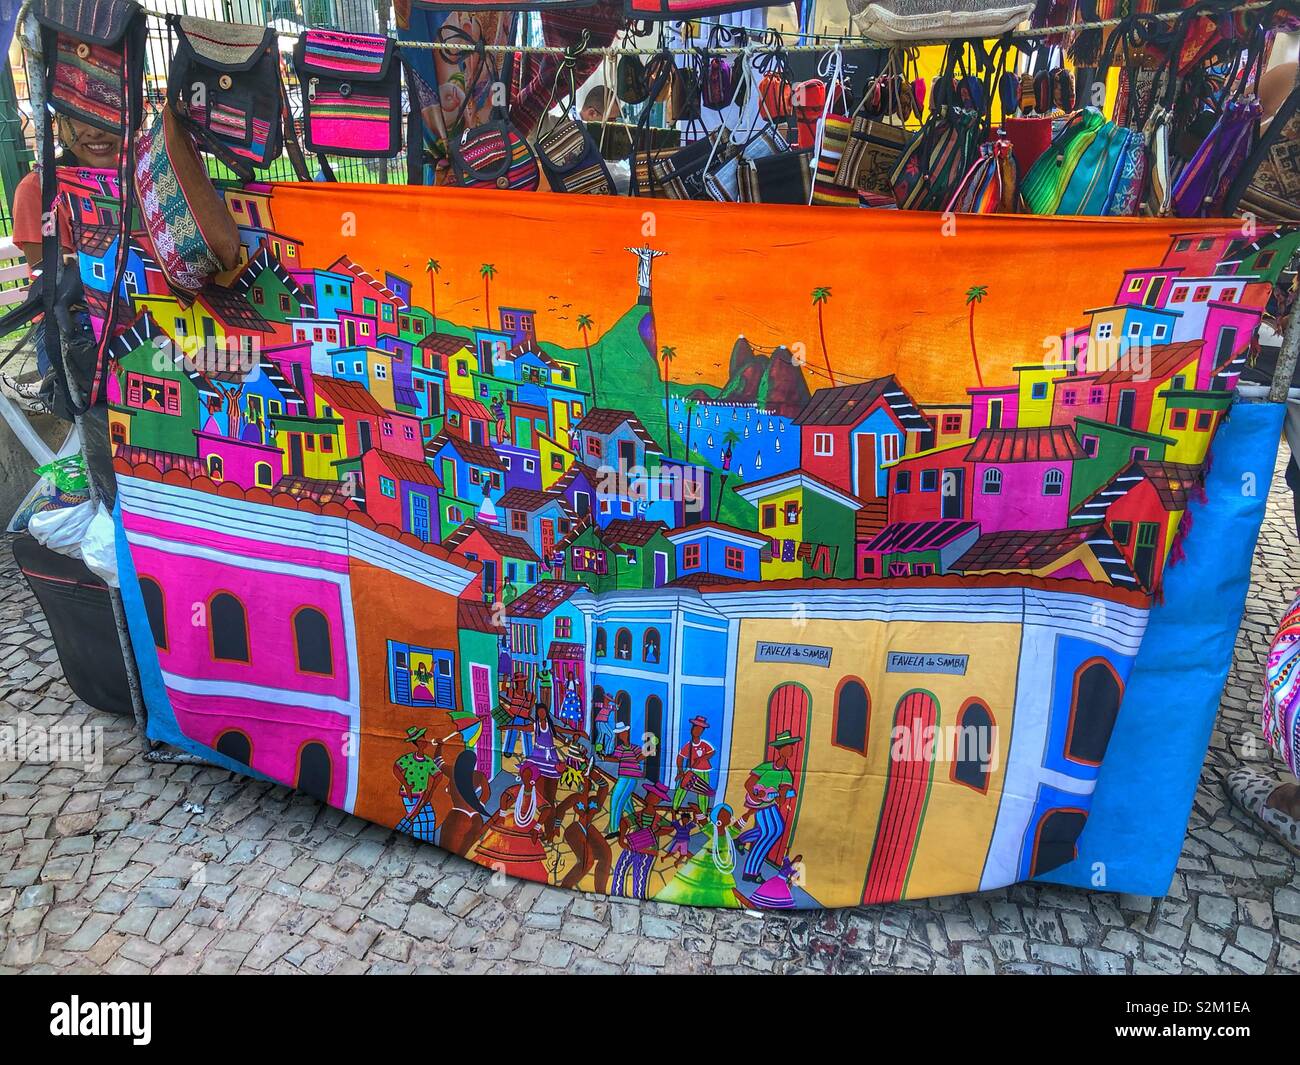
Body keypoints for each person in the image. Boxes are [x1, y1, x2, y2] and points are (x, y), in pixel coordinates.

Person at [0, 115, 121, 412]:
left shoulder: (140, 176)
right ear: (60, 125)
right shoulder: (39, 189)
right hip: (73, 325)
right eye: (80, 120)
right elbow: (54, 279)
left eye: (107, 117)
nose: (95, 130)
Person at [734, 731, 800, 885]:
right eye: (788, 746)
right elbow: (749, 784)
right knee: (772, 831)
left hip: (769, 804)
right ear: (780, 749)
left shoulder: (786, 774)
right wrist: (755, 794)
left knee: (773, 830)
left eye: (792, 746)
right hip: (758, 803)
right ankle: (750, 872)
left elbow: (782, 796)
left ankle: (741, 841)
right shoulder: (765, 767)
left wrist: (781, 796)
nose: (791, 749)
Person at [605, 721, 644, 838]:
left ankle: (614, 829)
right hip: (623, 776)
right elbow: (615, 759)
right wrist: (604, 757)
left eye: (624, 732)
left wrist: (649, 749)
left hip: (630, 777)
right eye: (620, 733)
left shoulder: (635, 747)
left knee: (616, 799)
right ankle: (637, 822)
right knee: (626, 801)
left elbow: (640, 757)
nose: (622, 735)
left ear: (627, 733)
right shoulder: (620, 748)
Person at [671, 715, 715, 813]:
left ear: (702, 731)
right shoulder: (688, 745)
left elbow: (712, 752)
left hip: (704, 772)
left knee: (703, 792)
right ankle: (675, 808)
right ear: (692, 729)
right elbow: (680, 757)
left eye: (700, 729)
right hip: (690, 770)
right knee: (681, 789)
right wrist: (681, 771)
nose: (697, 731)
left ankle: (703, 813)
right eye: (695, 728)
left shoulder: (704, 744)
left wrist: (701, 759)